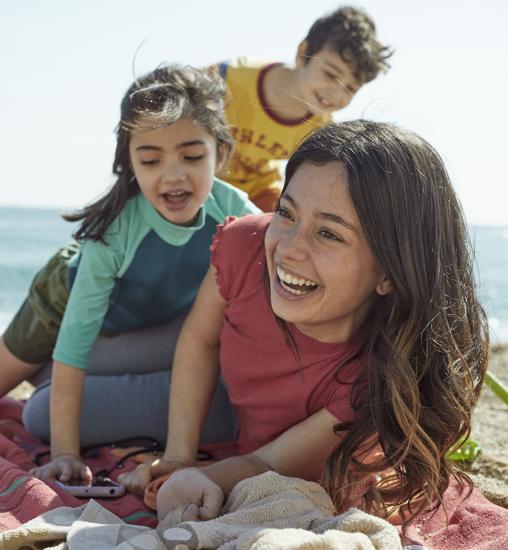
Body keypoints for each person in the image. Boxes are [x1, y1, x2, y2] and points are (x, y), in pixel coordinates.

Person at [121, 120, 488, 530]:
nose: (289, 248)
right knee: (56, 400)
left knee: (45, 411)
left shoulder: (374, 381)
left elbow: (265, 462)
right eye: (286, 212)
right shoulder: (247, 244)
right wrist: (178, 454)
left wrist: (196, 479)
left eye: (329, 234)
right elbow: (200, 340)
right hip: (216, 385)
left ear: (390, 272)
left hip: (257, 436)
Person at [0, 64, 259, 483]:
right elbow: (74, 346)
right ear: (130, 163)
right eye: (151, 159)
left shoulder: (236, 214)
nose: (173, 174)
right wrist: (64, 453)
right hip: (62, 300)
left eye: (192, 156)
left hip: (155, 323)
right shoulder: (115, 232)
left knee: (49, 394)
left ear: (221, 153)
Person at [214, 6, 392, 211]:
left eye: (351, 88)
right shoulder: (226, 78)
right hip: (206, 179)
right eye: (331, 75)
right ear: (303, 53)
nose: (336, 94)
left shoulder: (321, 130)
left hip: (259, 193)